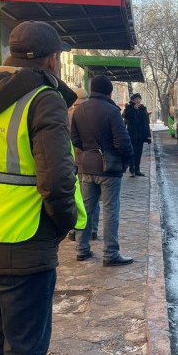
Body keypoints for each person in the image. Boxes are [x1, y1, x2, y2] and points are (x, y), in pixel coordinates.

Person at [0, 21, 87, 355]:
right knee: (24, 349)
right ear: (52, 59)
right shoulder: (43, 98)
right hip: (26, 240)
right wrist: (61, 225)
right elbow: (58, 180)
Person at [71, 75, 134, 266]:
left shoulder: (79, 110)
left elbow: (75, 139)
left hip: (87, 166)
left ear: (92, 90)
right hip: (109, 169)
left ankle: (82, 249)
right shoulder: (112, 111)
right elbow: (123, 142)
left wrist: (90, 152)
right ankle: (111, 253)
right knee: (110, 209)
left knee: (86, 209)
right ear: (109, 92)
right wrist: (125, 163)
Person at [68, 87, 100, 257]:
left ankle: (74, 230)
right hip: (88, 161)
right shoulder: (90, 113)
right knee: (92, 199)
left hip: (70, 162)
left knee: (75, 197)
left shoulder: (65, 114)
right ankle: (92, 230)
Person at [122, 92, 151, 177]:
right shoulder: (129, 107)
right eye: (136, 99)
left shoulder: (143, 108)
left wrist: (148, 135)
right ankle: (132, 169)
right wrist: (133, 109)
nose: (137, 100)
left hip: (140, 135)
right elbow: (125, 116)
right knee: (132, 152)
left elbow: (146, 123)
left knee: (139, 152)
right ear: (132, 100)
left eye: (139, 99)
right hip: (131, 134)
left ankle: (137, 169)